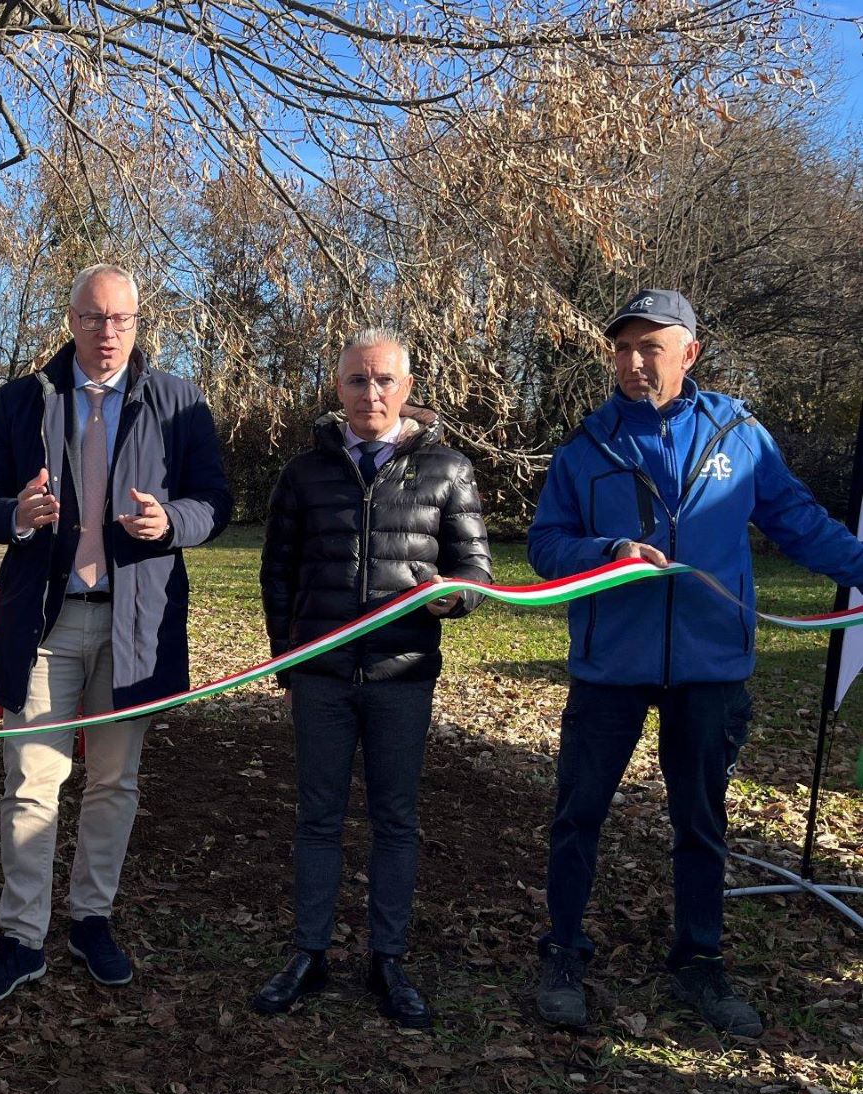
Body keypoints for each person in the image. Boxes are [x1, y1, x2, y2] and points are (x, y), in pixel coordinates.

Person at [527, 289, 863, 1037]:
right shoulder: (586, 447)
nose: (634, 361)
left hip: (710, 667)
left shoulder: (738, 436)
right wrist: (604, 551)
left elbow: (797, 522)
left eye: (651, 346)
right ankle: (562, 951)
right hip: (609, 666)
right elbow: (545, 544)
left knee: (700, 822)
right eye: (622, 348)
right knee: (577, 814)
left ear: (690, 352)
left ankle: (699, 962)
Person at [0, 264, 233, 1004]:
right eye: (92, 317)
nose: (106, 333)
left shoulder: (177, 401)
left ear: (139, 322)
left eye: (120, 319)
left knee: (114, 781)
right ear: (70, 320)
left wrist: (170, 522)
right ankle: (21, 936)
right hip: (44, 623)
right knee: (31, 784)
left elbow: (215, 501)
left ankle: (90, 919)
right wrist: (16, 516)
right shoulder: (23, 399)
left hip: (133, 622)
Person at [251, 329, 492, 1028]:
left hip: (401, 673)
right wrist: (284, 659)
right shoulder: (304, 472)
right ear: (338, 388)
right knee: (317, 817)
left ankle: (387, 958)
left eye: (383, 379)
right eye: (356, 380)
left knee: (395, 820)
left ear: (407, 389)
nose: (370, 393)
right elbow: (277, 572)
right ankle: (309, 953)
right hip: (322, 675)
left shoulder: (446, 469)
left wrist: (460, 593)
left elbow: (476, 568)